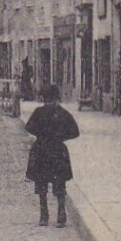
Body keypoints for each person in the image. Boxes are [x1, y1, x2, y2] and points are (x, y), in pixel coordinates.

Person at [24, 84, 80, 227]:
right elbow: (75, 132)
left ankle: (44, 215)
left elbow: (29, 127)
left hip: (41, 150)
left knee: (41, 185)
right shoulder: (63, 113)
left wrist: (41, 135)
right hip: (57, 151)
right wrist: (61, 137)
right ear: (57, 98)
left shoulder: (38, 112)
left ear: (44, 98)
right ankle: (61, 214)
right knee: (60, 184)